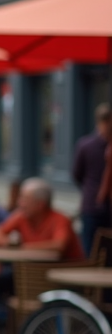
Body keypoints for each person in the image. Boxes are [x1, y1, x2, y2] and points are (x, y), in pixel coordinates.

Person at [0, 177, 84, 282]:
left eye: (25, 200)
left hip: (61, 274)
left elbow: (58, 245)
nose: (20, 203)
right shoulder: (22, 217)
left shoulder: (61, 220)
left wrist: (22, 248)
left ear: (40, 204)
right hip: (33, 272)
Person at [72, 103, 111, 256]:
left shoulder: (84, 144)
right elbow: (77, 174)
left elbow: (76, 175)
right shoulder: (86, 145)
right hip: (93, 204)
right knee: (90, 248)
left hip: (94, 203)